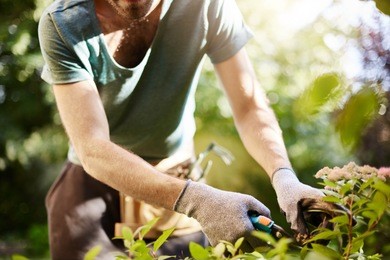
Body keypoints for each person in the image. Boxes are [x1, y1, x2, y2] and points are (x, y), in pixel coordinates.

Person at [38, 0, 324, 259]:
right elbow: (92, 148)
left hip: (176, 175)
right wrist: (197, 200)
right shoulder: (63, 23)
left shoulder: (206, 5)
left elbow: (249, 105)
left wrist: (284, 177)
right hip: (92, 188)